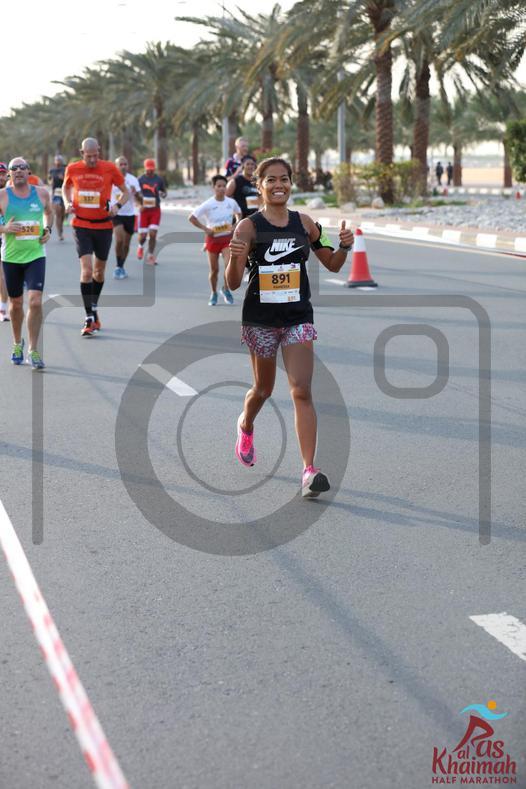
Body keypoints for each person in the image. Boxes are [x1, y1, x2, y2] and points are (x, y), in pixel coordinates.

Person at [225, 157, 354, 497]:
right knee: (263, 389)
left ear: (291, 183)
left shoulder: (306, 223)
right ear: (259, 186)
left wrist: (344, 245)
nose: (278, 185)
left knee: (302, 390)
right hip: (261, 321)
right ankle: (246, 424)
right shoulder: (248, 228)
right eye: (270, 180)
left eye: (284, 178)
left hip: (297, 317)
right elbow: (233, 283)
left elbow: (333, 263)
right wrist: (234, 257)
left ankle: (309, 472)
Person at [62, 137, 130, 337]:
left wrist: (117, 206)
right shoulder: (73, 168)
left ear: (99, 151)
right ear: (81, 153)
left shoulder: (109, 168)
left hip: (103, 226)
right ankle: (89, 317)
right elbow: (66, 187)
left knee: (99, 273)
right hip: (81, 225)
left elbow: (125, 192)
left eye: (95, 155)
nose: (92, 160)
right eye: (88, 156)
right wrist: (67, 202)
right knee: (87, 271)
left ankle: (93, 306)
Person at [0, 157, 53, 368]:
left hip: (36, 255)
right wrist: (4, 229)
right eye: (14, 168)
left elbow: (49, 213)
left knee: (35, 301)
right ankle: (16, 343)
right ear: (9, 174)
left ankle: (33, 349)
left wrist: (47, 229)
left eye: (23, 167)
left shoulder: (41, 193)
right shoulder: (3, 196)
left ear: (29, 171)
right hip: (11, 257)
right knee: (15, 304)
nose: (19, 170)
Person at [189, 174, 241, 306]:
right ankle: (213, 292)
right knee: (214, 270)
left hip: (227, 239)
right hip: (213, 240)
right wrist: (206, 229)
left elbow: (239, 213)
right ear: (213, 187)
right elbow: (192, 218)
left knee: (228, 265)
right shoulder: (208, 204)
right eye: (219, 186)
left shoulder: (231, 202)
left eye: (224, 186)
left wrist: (235, 224)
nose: (222, 188)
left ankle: (226, 289)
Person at [111, 155, 141, 279]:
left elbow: (140, 199)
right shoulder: (111, 179)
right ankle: (118, 266)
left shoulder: (133, 180)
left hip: (130, 214)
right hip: (116, 214)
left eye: (125, 164)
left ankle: (121, 266)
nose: (123, 166)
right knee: (119, 240)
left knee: (126, 244)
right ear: (116, 166)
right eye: (121, 164)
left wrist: (136, 193)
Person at [137, 158, 167, 265]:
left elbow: (164, 192)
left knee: (153, 234)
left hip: (155, 210)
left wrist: (163, 194)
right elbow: (136, 194)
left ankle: (150, 256)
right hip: (144, 210)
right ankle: (140, 246)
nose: (150, 171)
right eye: (148, 169)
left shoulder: (158, 179)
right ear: (145, 168)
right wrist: (139, 204)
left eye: (152, 169)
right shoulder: (140, 180)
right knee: (143, 236)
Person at [0, 162, 10, 321]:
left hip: (7, 238)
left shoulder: (11, 193)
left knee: (3, 275)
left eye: (3, 174)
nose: (0, 177)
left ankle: (2, 308)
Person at [48, 154, 67, 241]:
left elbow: (68, 180)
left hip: (64, 192)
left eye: (59, 160)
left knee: (63, 214)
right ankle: (60, 233)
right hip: (56, 193)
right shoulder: (52, 170)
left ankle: (61, 228)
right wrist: (50, 181)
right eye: (57, 160)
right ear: (55, 161)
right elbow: (49, 180)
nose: (58, 161)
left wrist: (63, 179)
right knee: (58, 213)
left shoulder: (65, 169)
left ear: (62, 161)